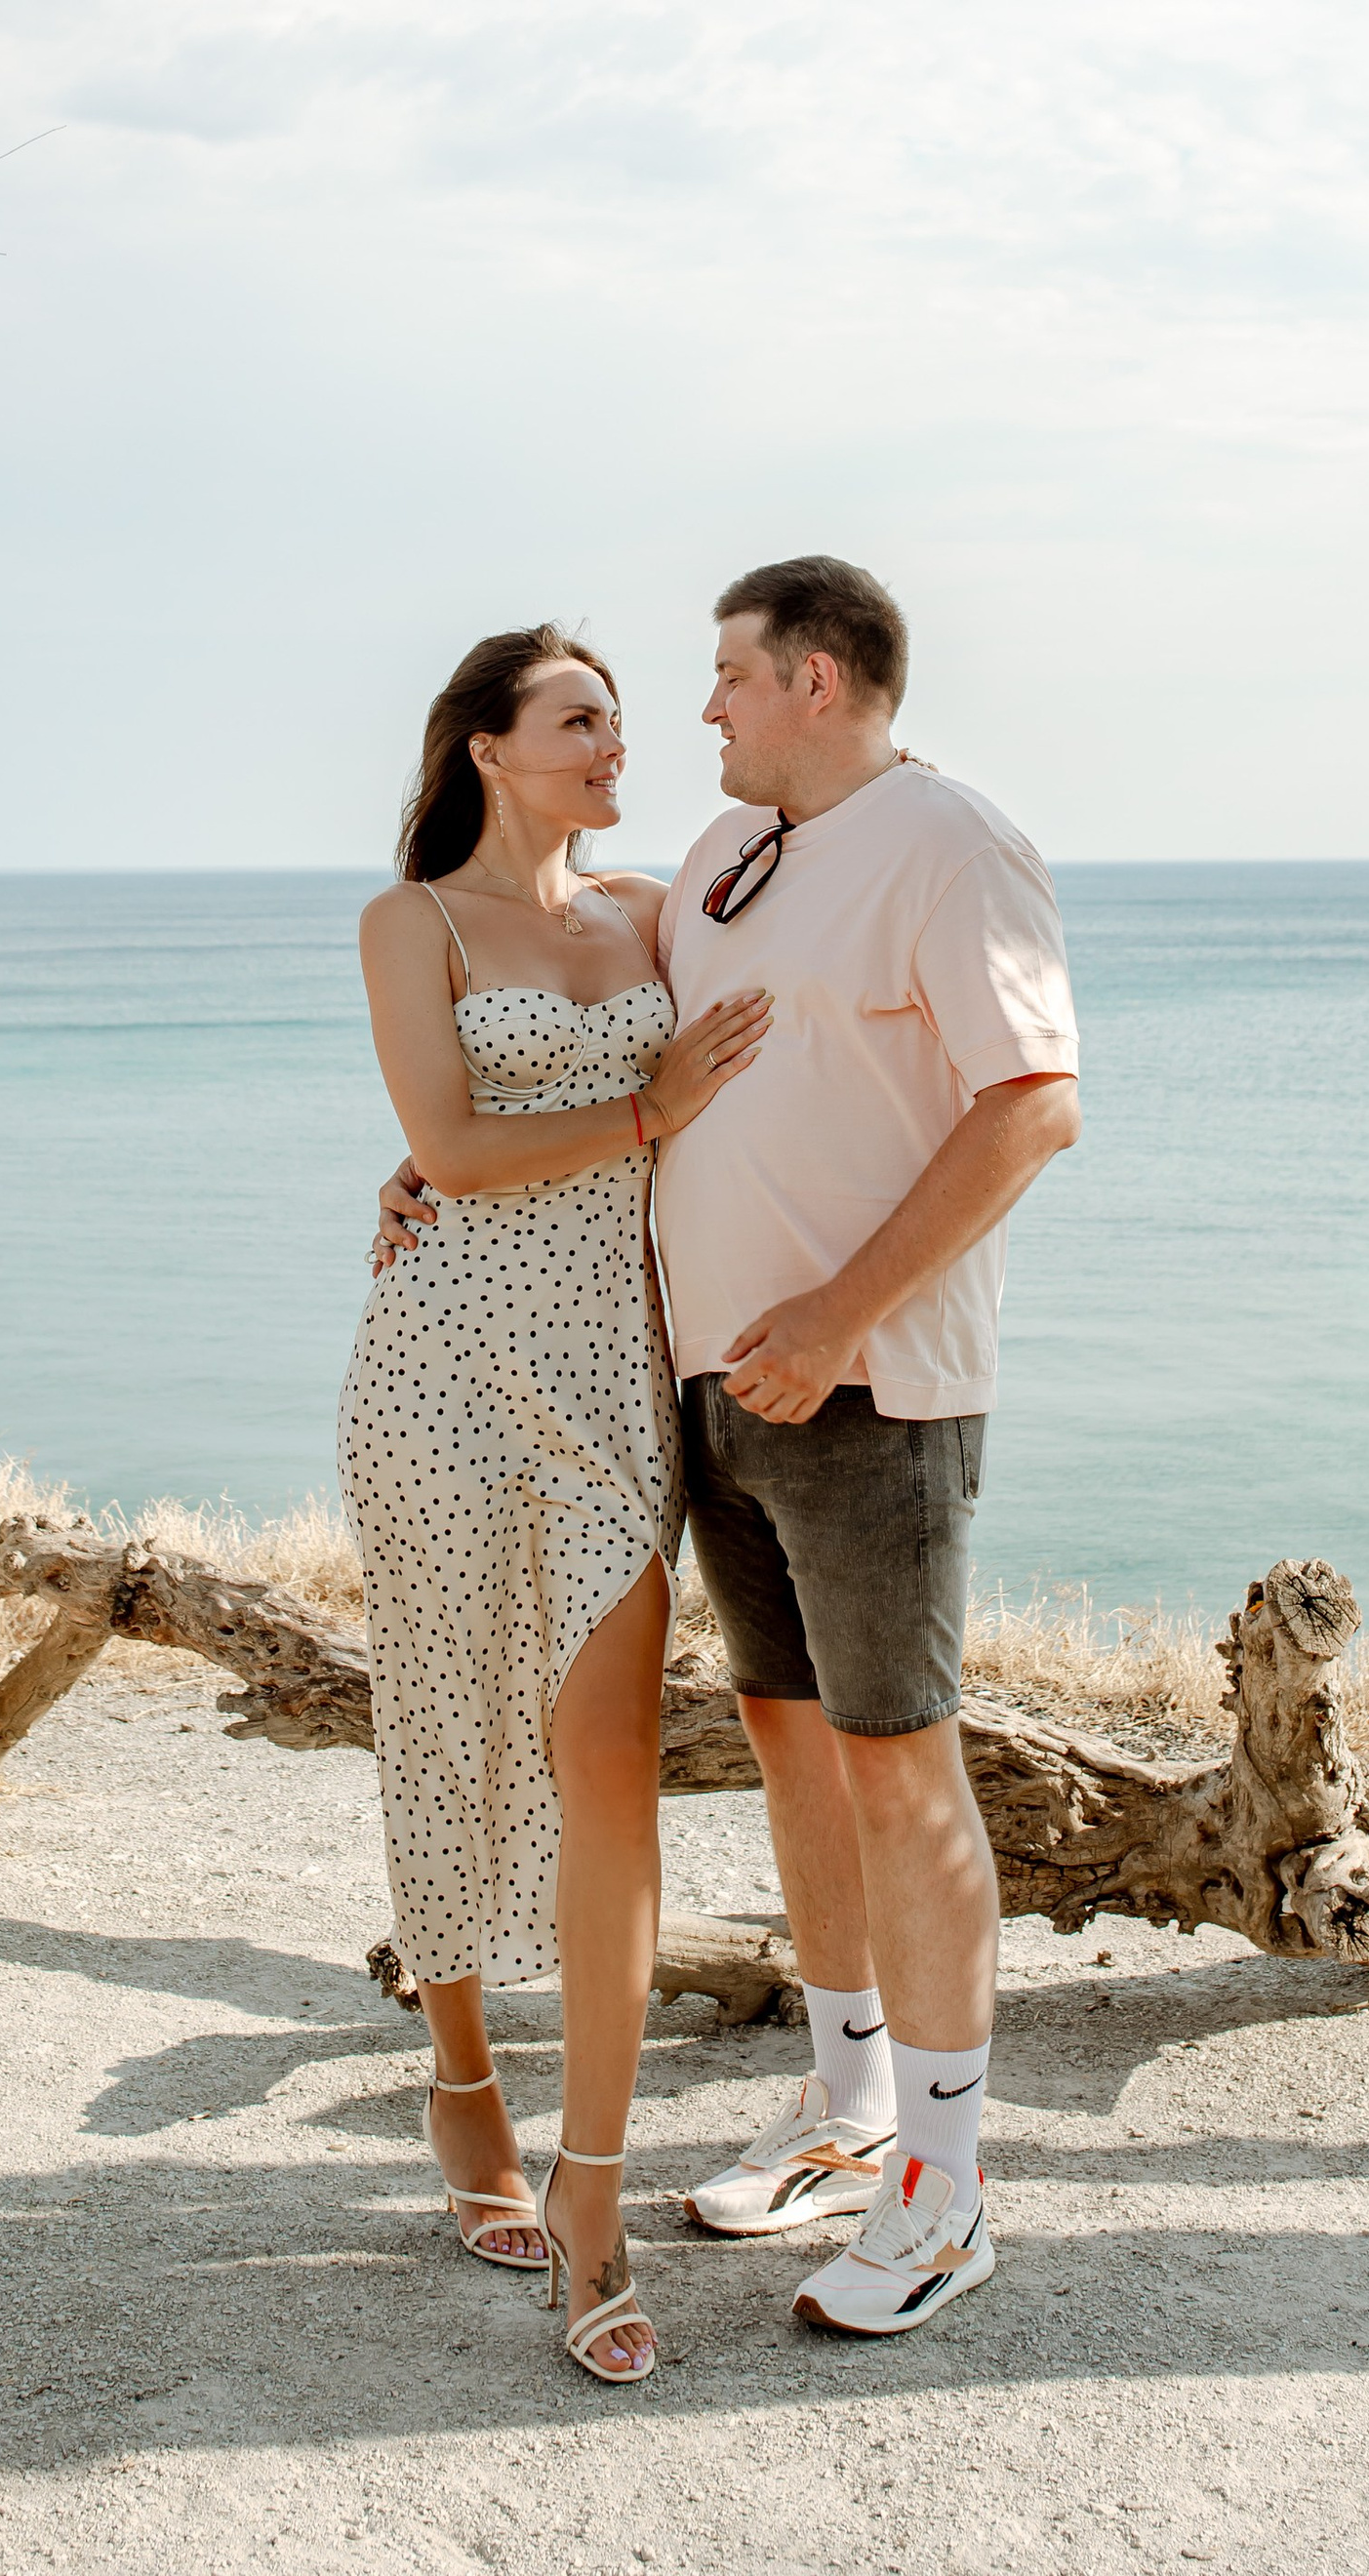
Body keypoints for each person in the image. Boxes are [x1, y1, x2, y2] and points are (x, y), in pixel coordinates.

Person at [377, 556, 1079, 2341]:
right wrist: (431, 1167)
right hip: (696, 1388)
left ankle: (943, 2192)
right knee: (789, 1747)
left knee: (902, 1770)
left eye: (728, 681)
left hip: (866, 1389)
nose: (699, 715)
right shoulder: (723, 862)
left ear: (821, 681)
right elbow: (581, 1053)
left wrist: (841, 1315)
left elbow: (1035, 1106)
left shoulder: (951, 844)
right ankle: (848, 2113)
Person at [341, 624, 771, 2386]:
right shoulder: (415, 924)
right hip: (438, 1376)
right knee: (445, 1724)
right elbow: (448, 1152)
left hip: (608, 1383)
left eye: (615, 720)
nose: (618, 741)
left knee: (611, 1779)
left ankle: (592, 2192)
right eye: (581, 719)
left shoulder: (663, 905)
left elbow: (747, 1063)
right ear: (488, 745)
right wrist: (645, 1105)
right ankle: (462, 2078)